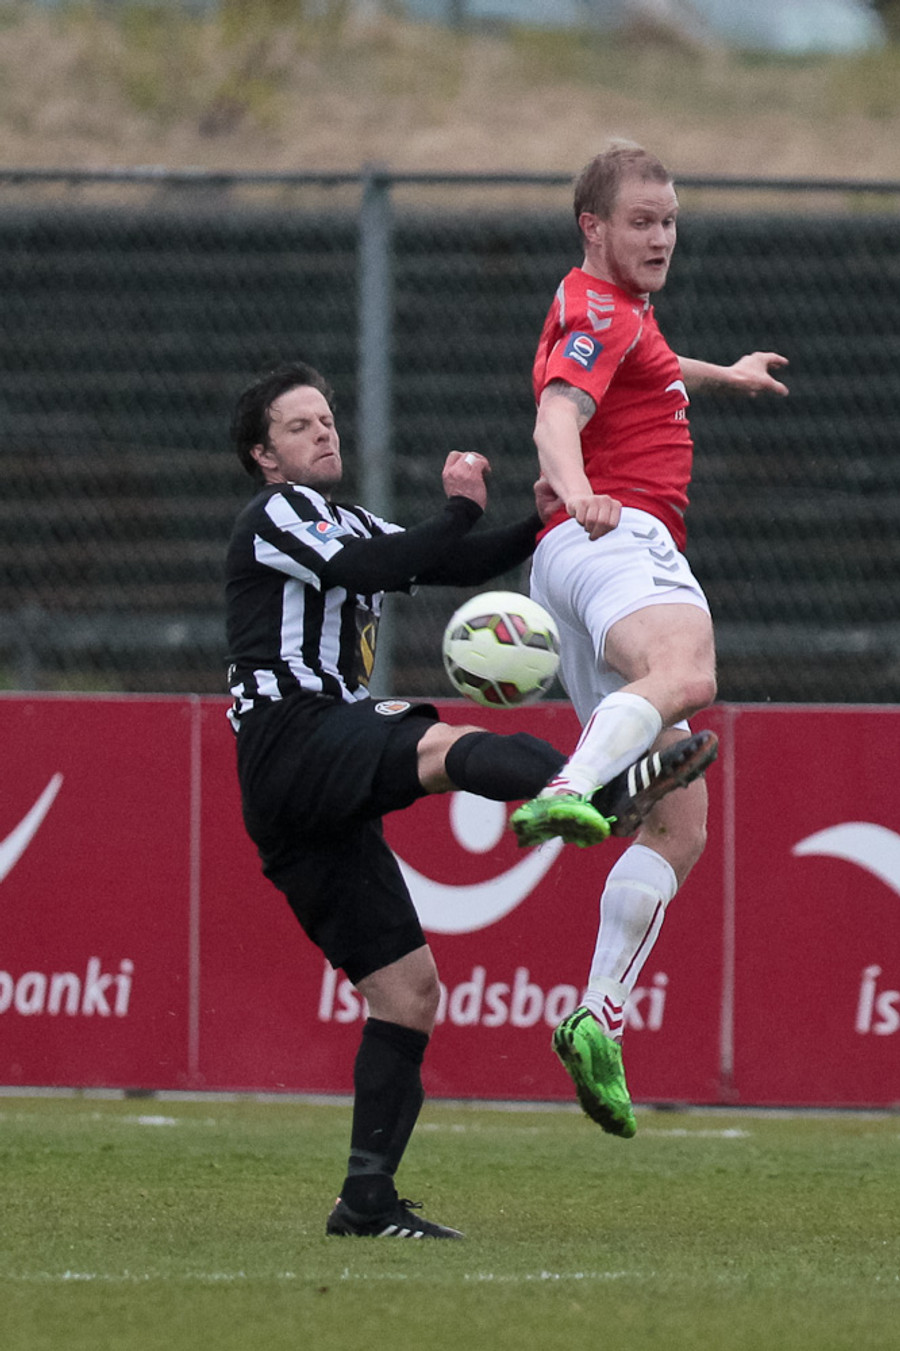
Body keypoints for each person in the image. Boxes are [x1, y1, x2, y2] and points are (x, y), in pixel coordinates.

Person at [224, 359, 714, 1239]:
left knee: (408, 991)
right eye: (299, 426)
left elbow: (449, 561)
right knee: (442, 746)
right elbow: (381, 561)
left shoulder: (340, 516)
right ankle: (601, 785)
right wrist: (457, 508)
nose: (323, 431)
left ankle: (366, 1201)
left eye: (326, 418)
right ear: (264, 456)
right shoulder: (277, 513)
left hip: (305, 790)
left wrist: (542, 520)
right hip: (292, 735)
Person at [510, 144, 788, 1137]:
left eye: (669, 220)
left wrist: (726, 375)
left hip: (582, 562)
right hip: (617, 535)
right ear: (593, 227)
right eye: (641, 220)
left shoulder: (618, 311)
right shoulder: (598, 311)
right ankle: (573, 787)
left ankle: (597, 1014)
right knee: (687, 670)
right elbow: (557, 415)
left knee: (679, 823)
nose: (661, 235)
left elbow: (647, 368)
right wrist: (580, 486)